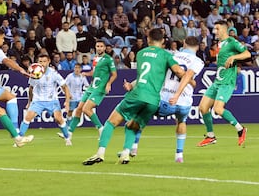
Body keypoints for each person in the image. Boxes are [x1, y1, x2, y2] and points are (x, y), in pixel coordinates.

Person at [82, 29, 191, 165]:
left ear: (148, 39)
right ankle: (126, 154)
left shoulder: (140, 54)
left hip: (137, 94)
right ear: (163, 41)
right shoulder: (166, 55)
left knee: (111, 122)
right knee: (133, 125)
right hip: (153, 101)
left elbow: (143, 76)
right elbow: (179, 71)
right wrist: (190, 79)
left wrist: (131, 86)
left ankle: (100, 153)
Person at [122, 36, 205, 163]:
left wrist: (132, 85)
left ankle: (133, 147)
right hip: (183, 102)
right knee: (181, 122)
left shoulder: (172, 55)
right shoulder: (198, 61)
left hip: (164, 98)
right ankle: (179, 155)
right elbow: (188, 76)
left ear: (183, 43)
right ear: (198, 47)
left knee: (141, 113)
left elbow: (152, 74)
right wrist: (180, 93)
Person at [197, 20, 251, 147]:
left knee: (218, 109)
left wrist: (234, 58)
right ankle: (210, 136)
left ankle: (240, 129)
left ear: (224, 29)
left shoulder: (232, 41)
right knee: (203, 108)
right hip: (217, 81)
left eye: (217, 28)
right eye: (214, 29)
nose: (215, 31)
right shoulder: (220, 44)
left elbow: (247, 53)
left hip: (227, 82)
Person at [64, 40, 117, 141]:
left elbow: (114, 74)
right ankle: (69, 133)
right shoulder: (95, 58)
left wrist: (109, 84)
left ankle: (101, 129)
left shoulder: (108, 59)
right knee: (79, 109)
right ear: (95, 47)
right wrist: (86, 74)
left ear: (105, 48)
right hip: (91, 87)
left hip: (100, 88)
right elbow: (94, 72)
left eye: (101, 46)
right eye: (98, 46)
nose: (99, 48)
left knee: (86, 109)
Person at [19, 54, 72, 146]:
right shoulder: (34, 73)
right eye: (40, 61)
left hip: (52, 101)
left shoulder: (53, 73)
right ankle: (19, 139)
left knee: (58, 119)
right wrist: (29, 102)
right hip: (38, 100)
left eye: (44, 61)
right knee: (27, 118)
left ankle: (67, 138)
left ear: (48, 62)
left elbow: (65, 87)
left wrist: (67, 102)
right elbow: (31, 88)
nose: (42, 63)